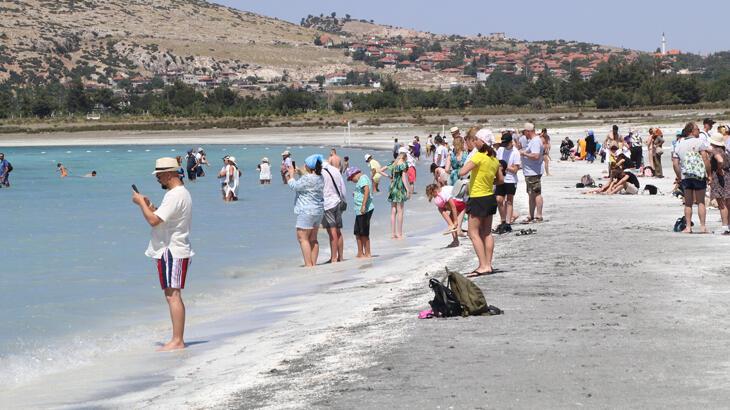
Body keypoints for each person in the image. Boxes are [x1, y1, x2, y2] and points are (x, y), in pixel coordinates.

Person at [132, 157, 193, 351]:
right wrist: (150, 206)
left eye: (159, 176)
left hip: (172, 249)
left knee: (173, 295)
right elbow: (163, 218)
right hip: (173, 248)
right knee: (171, 294)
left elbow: (153, 221)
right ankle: (176, 339)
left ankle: (177, 340)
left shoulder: (176, 195)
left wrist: (141, 203)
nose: (158, 179)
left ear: (168, 174)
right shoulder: (177, 194)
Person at [458, 128, 503, 277]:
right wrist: (488, 180)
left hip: (478, 197)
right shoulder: (494, 159)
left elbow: (461, 172)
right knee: (486, 232)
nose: (474, 142)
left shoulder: (478, 157)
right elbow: (500, 180)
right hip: (490, 196)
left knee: (473, 233)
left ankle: (483, 265)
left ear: (482, 142)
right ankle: (488, 264)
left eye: (476, 140)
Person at [673, 122, 711, 234]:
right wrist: (709, 174)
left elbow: (675, 163)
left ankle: (688, 227)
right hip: (699, 175)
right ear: (691, 131)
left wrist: (679, 177)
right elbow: (705, 159)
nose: (699, 131)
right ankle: (703, 227)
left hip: (686, 176)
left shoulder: (679, 144)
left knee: (688, 203)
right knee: (701, 202)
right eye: (697, 129)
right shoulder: (700, 142)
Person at [287, 154, 325, 267]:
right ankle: (313, 263)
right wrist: (299, 173)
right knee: (313, 239)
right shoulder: (320, 177)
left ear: (309, 166)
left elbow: (295, 186)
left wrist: (291, 175)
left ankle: (308, 264)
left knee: (302, 238)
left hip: (306, 210)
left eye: (306, 164)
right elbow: (307, 182)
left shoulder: (308, 178)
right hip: (318, 210)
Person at [495, 133, 521, 234]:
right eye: (503, 143)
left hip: (511, 180)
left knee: (509, 201)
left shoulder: (515, 152)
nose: (504, 145)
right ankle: (503, 221)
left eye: (506, 143)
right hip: (501, 178)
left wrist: (505, 166)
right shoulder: (500, 150)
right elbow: (496, 163)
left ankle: (508, 223)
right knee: (499, 199)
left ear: (511, 142)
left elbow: (515, 169)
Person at [380, 152, 410, 239]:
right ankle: (400, 234)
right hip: (400, 188)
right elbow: (404, 178)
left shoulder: (393, 163)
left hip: (392, 188)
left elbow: (380, 170)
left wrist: (389, 177)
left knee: (393, 211)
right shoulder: (403, 165)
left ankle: (393, 234)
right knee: (400, 211)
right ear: (404, 158)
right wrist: (408, 189)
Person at [322, 160, 347, 263]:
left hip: (327, 204)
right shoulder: (336, 170)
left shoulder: (321, 172)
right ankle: (340, 257)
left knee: (331, 230)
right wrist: (344, 201)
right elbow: (342, 188)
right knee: (338, 230)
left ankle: (333, 258)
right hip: (338, 201)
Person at [426, 183, 466, 248]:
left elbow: (453, 207)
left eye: (433, 195)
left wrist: (456, 221)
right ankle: (455, 239)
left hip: (460, 202)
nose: (433, 197)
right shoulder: (440, 192)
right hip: (459, 201)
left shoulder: (443, 193)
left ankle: (452, 229)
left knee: (441, 209)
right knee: (447, 214)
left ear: (435, 191)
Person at [519, 123, 545, 223]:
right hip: (530, 171)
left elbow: (536, 156)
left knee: (536, 193)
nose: (524, 134)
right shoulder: (533, 141)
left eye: (524, 132)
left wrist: (524, 153)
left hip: (533, 171)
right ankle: (531, 215)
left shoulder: (535, 141)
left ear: (528, 131)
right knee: (531, 194)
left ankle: (538, 215)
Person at [346, 167, 374, 258]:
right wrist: (356, 194)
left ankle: (368, 252)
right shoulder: (361, 180)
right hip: (359, 211)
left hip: (364, 210)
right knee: (357, 232)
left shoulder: (363, 178)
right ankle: (360, 252)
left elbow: (366, 190)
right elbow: (362, 191)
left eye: (351, 179)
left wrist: (363, 205)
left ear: (355, 174)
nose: (351, 181)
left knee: (364, 232)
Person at [708, 133, 730, 234]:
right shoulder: (724, 151)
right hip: (727, 176)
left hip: (719, 178)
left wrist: (718, 169)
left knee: (721, 204)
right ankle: (728, 225)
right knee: (728, 203)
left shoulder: (715, 151)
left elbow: (720, 161)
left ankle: (725, 227)